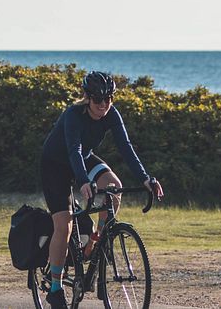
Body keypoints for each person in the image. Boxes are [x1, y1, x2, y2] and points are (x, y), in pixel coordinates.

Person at [40, 71, 164, 309]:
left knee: (113, 188)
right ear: (87, 98)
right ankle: (55, 288)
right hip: (55, 165)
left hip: (83, 158)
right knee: (64, 224)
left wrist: (146, 179)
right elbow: (73, 150)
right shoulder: (73, 115)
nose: (104, 105)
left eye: (108, 99)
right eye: (98, 100)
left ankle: (95, 244)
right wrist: (83, 181)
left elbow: (126, 148)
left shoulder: (111, 114)